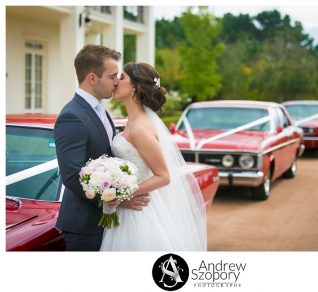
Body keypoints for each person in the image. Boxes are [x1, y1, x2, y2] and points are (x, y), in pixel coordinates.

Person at [100, 62, 207, 251]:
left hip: (140, 212)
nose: (116, 81)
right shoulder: (132, 122)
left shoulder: (140, 128)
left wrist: (122, 196)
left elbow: (163, 176)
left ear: (135, 87)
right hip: (129, 207)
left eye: (122, 77)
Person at [54, 45, 149, 251]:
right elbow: (72, 175)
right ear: (92, 78)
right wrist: (115, 200)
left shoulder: (100, 110)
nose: (117, 81)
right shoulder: (72, 116)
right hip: (85, 225)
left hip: (109, 223)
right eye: (112, 76)